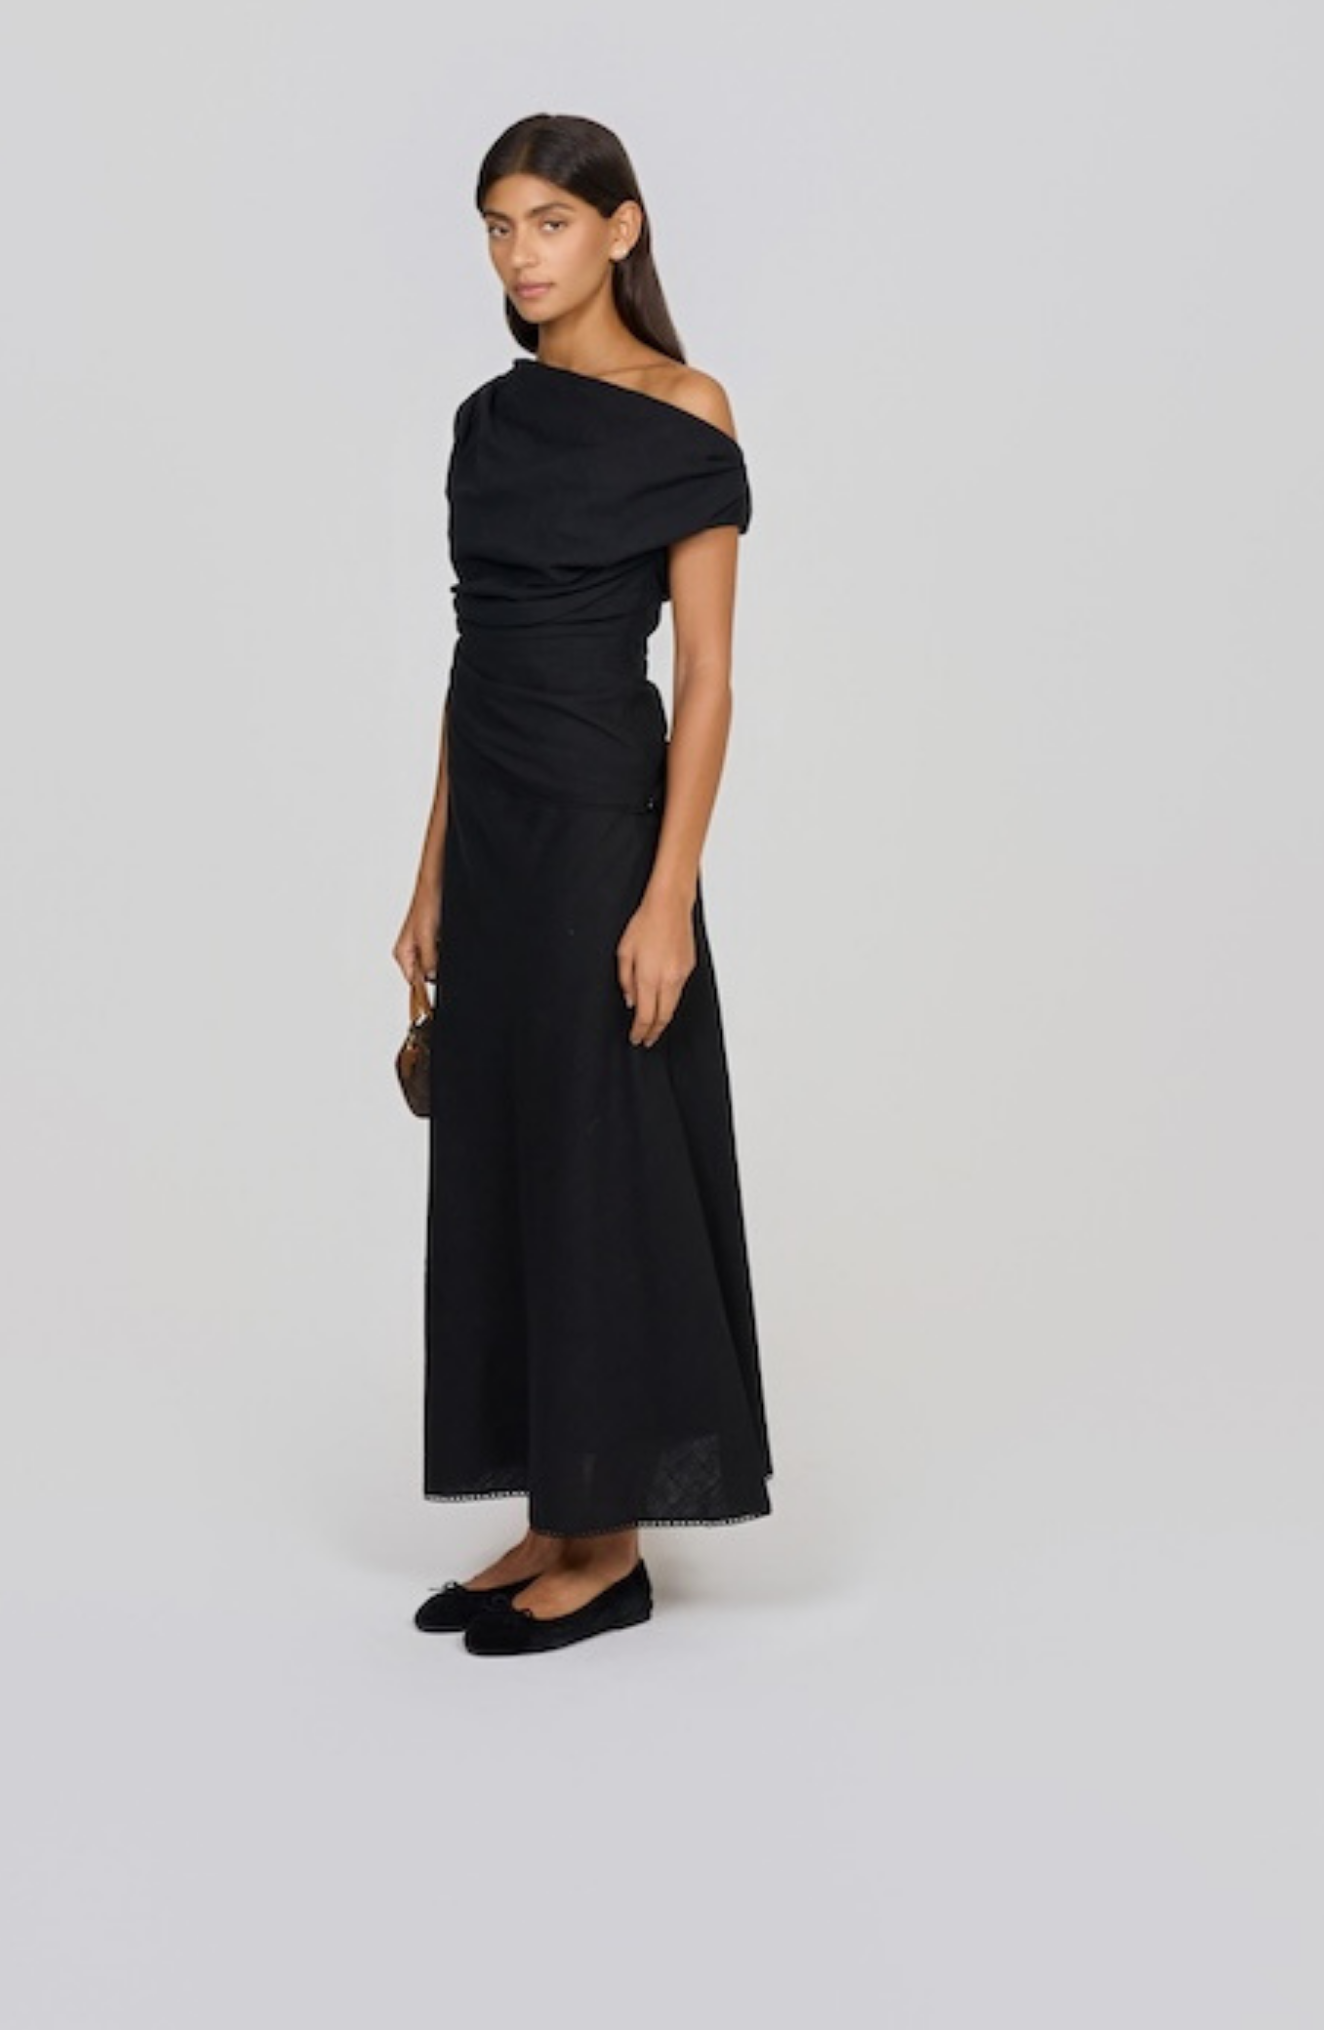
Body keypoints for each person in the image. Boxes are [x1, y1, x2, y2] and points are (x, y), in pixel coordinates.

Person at [392, 113, 773, 1658]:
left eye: (548, 221)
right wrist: (428, 871)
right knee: (508, 1153)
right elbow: (471, 655)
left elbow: (711, 679)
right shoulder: (487, 422)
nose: (519, 254)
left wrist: (669, 893)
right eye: (498, 226)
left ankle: (608, 1549)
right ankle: (555, 1513)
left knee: (599, 1156)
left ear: (622, 228)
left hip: (606, 825)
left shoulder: (686, 410)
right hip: (492, 832)